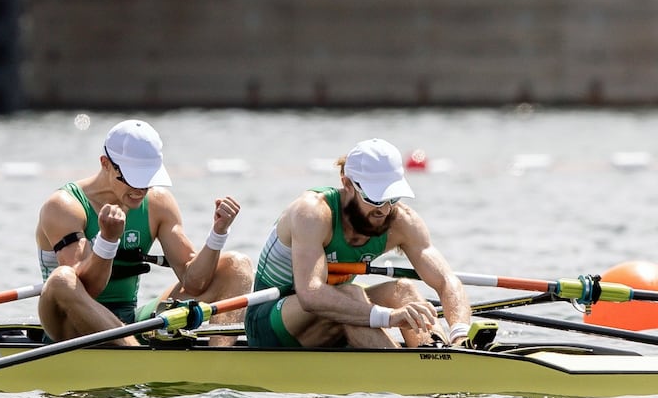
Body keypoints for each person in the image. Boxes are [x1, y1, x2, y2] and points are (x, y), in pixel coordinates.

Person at [36, 119, 254, 346]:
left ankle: (217, 366)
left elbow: (194, 283)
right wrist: (108, 240)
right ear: (106, 163)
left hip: (128, 321)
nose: (141, 190)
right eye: (134, 178)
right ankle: (135, 356)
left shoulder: (158, 204)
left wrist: (218, 233)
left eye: (147, 178)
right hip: (69, 325)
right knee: (62, 279)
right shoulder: (63, 206)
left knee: (237, 265)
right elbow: (87, 289)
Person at [245, 138, 472, 349]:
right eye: (375, 198)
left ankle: (439, 354)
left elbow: (446, 281)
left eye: (392, 197)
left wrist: (460, 332)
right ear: (347, 184)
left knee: (403, 289)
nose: (384, 209)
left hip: (332, 313)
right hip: (270, 323)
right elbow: (311, 294)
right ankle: (407, 373)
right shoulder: (312, 213)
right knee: (352, 295)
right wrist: (389, 317)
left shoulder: (402, 221)